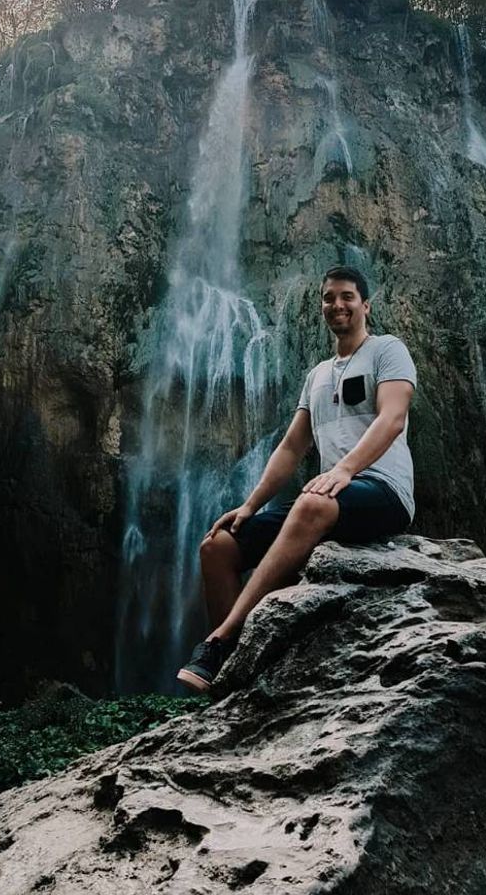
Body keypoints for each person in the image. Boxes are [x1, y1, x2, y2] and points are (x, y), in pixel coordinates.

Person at [177, 265, 417, 693]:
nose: (337, 305)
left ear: (366, 305)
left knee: (312, 501)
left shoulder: (387, 350)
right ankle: (236, 680)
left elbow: (392, 418)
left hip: (384, 491)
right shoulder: (318, 375)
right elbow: (291, 447)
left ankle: (222, 643)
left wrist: (344, 469)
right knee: (218, 545)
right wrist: (250, 506)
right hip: (330, 499)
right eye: (329, 298)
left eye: (347, 296)